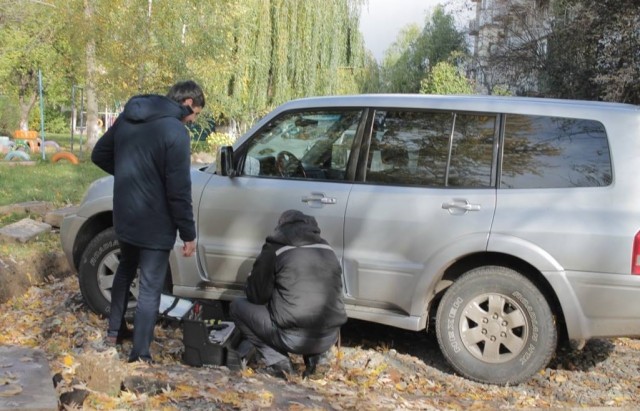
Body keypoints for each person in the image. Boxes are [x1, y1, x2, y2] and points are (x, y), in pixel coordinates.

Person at [91, 80, 205, 363]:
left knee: (125, 268)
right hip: (156, 221)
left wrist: (132, 174)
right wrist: (188, 233)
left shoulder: (130, 116)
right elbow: (178, 190)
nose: (192, 121)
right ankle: (140, 353)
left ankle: (114, 332)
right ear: (188, 103)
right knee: (151, 286)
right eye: (195, 114)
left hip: (126, 213)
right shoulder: (175, 131)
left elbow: (99, 154)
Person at [230, 209, 347, 378]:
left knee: (237, 307)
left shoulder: (276, 247)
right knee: (306, 304)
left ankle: (278, 362)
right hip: (330, 336)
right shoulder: (326, 248)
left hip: (293, 337)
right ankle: (316, 359)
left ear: (281, 226)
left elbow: (256, 296)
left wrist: (254, 281)